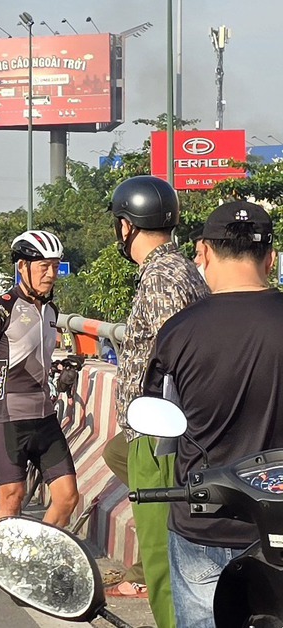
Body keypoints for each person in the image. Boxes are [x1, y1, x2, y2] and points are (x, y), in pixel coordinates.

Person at [143, 201, 283, 627]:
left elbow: (161, 426)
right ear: (271, 257)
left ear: (202, 252)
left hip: (205, 524)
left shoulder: (177, 332)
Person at [102, 176, 208, 620]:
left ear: (127, 225)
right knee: (113, 453)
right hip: (157, 432)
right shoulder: (179, 268)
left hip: (159, 434)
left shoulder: (162, 278)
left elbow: (176, 356)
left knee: (162, 564)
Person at [0, 230, 79, 527]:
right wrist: (3, 385)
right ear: (22, 267)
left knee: (67, 497)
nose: (51, 274)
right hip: (10, 417)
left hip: (44, 416)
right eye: (44, 266)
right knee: (12, 497)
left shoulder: (51, 310)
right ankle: (5, 557)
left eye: (55, 266)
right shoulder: (1, 308)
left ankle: (36, 552)